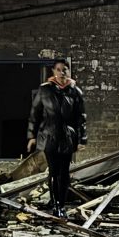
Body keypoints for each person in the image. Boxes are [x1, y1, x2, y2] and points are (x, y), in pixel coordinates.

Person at [27, 58, 87, 218]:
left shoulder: (75, 91)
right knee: (54, 171)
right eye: (58, 70)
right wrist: (31, 136)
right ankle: (55, 205)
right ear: (53, 71)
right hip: (50, 135)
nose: (62, 73)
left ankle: (62, 205)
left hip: (68, 137)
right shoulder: (44, 90)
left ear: (69, 71)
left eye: (64, 69)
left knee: (64, 172)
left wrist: (82, 139)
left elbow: (81, 117)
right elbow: (34, 114)